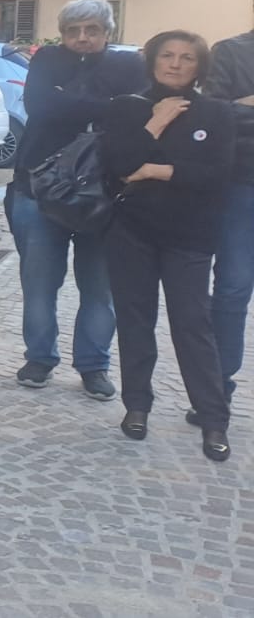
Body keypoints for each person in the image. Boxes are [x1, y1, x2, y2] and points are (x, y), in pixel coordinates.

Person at [101, 30, 233, 461]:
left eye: (187, 57)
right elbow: (118, 166)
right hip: (132, 233)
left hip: (190, 237)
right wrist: (155, 122)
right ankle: (137, 406)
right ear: (153, 61)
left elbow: (217, 175)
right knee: (135, 322)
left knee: (192, 325)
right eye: (167, 55)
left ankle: (213, 419)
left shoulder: (216, 112)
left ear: (200, 67)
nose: (175, 64)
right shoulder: (127, 107)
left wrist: (155, 170)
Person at [8, 0, 145, 398]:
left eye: (92, 30)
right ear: (62, 33)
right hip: (39, 188)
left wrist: (66, 102)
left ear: (108, 32)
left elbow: (135, 114)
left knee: (99, 288)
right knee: (39, 284)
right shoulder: (47, 59)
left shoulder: (129, 65)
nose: (82, 38)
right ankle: (39, 358)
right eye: (73, 31)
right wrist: (108, 105)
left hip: (105, 192)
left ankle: (94, 365)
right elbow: (38, 106)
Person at [200, 26, 254, 419]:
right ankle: (217, 388)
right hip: (242, 185)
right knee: (233, 287)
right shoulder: (231, 52)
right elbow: (214, 114)